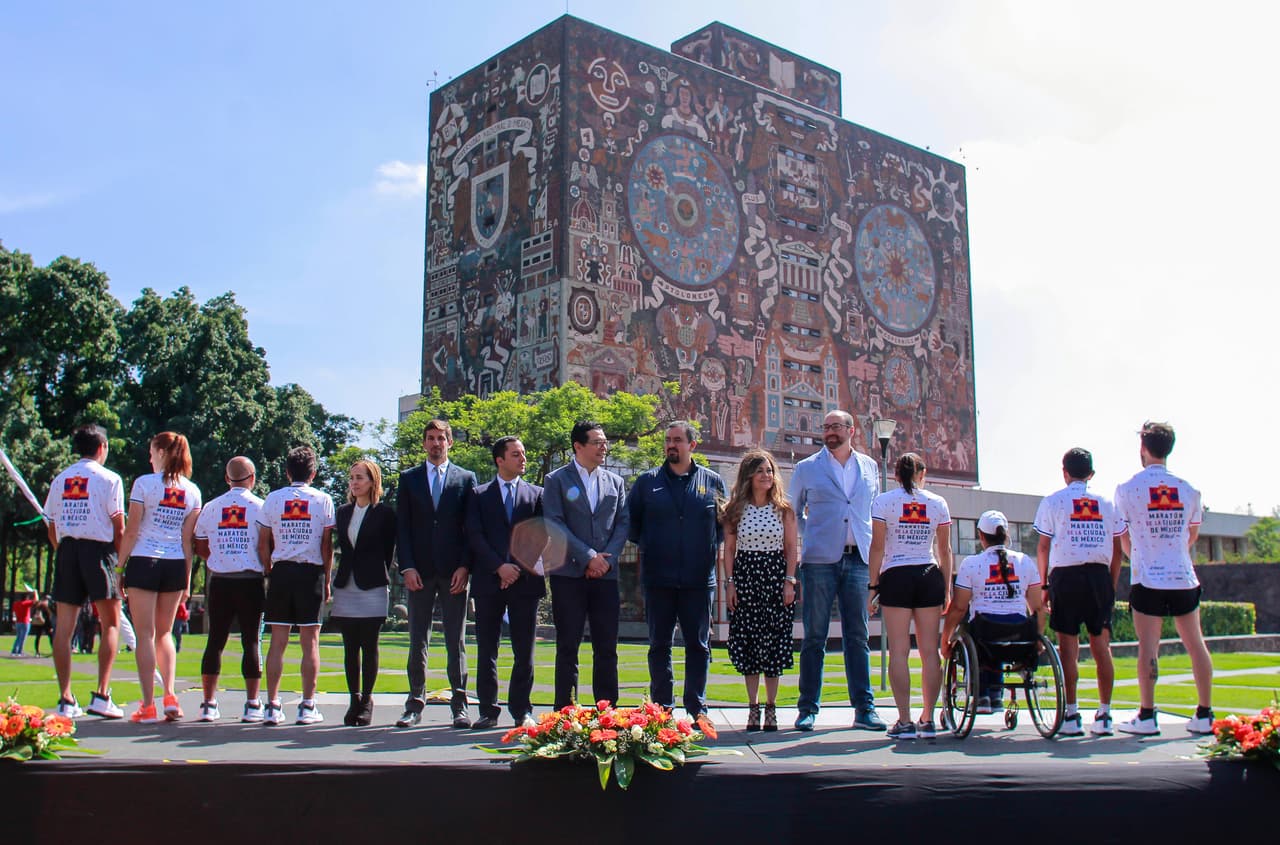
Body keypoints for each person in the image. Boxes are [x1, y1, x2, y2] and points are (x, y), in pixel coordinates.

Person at [1113, 422, 1214, 736]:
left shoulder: (1127, 489)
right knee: (1196, 644)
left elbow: (1122, 536)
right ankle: (1205, 713)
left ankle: (1146, 715)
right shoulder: (1189, 489)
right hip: (1183, 576)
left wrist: (1142, 555)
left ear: (1143, 447)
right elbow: (1192, 534)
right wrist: (1171, 551)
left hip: (1148, 579)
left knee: (1148, 647)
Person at [788, 410, 885, 732]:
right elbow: (793, 510)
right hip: (819, 561)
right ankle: (807, 709)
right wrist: (811, 534)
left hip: (860, 558)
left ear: (851, 430)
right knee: (814, 636)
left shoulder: (869, 466)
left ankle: (864, 708)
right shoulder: (806, 468)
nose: (829, 432)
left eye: (836, 427)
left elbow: (872, 511)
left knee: (857, 636)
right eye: (826, 427)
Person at [627, 422, 726, 726]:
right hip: (658, 580)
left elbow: (723, 529)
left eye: (678, 440)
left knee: (698, 646)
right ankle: (661, 709)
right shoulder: (646, 482)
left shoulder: (713, 482)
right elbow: (632, 526)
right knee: (659, 645)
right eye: (668, 440)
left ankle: (697, 708)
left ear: (692, 445)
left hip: (699, 581)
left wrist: (703, 551)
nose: (671, 445)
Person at [1033, 447, 1126, 737]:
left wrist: (1044, 585)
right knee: (1102, 648)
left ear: (1064, 472)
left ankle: (1072, 714)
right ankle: (1105, 713)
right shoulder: (1107, 503)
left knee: (1068, 650)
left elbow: (1043, 547)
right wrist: (1110, 584)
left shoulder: (1053, 501)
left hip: (1065, 577)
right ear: (1091, 474)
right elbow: (1117, 550)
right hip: (1098, 576)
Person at [542, 420, 629, 710]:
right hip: (568, 574)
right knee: (568, 646)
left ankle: (608, 713)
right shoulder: (556, 480)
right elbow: (554, 522)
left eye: (605, 442)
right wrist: (588, 555)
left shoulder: (615, 482)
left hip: (605, 575)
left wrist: (606, 559)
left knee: (607, 648)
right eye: (597, 442)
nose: (604, 447)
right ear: (578, 446)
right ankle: (565, 713)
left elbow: (622, 523)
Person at [395, 419, 476, 728]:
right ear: (424, 443)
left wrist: (465, 566)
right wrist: (407, 566)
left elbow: (472, 529)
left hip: (455, 571)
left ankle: (460, 705)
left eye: (440, 438)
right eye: (430, 438)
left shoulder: (466, 479)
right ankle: (415, 704)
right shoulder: (409, 479)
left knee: (456, 642)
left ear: (450, 442)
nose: (435, 443)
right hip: (420, 572)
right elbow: (402, 527)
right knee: (418, 640)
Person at [867, 453, 953, 740]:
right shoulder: (937, 503)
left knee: (899, 651)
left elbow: (877, 547)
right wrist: (947, 588)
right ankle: (928, 719)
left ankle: (904, 720)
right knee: (930, 651)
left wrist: (873, 586)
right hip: (929, 574)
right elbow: (945, 551)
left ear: (896, 474)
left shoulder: (883, 501)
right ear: (922, 472)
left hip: (896, 575)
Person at [118, 431, 203, 723]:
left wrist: (119, 567)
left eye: (152, 451)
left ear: (162, 452)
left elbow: (132, 530)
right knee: (165, 633)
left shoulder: (144, 484)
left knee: (145, 635)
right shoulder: (192, 490)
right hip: (175, 564)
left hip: (145, 560)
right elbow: (187, 540)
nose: (149, 457)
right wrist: (188, 578)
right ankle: (170, 696)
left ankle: (147, 703)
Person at [44, 424, 127, 718]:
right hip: (99, 551)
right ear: (102, 447)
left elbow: (52, 526)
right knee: (111, 623)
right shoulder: (109, 479)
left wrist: (63, 552)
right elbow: (119, 526)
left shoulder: (60, 479)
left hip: (67, 550)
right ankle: (102, 695)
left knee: (63, 629)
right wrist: (121, 564)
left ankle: (65, 698)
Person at [464, 436, 546, 729]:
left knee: (524, 650)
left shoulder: (537, 494)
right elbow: (474, 535)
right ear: (500, 460)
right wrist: (500, 567)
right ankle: (488, 710)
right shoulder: (478, 495)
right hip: (489, 582)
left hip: (525, 584)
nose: (523, 458)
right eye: (516, 454)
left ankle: (522, 710)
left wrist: (517, 569)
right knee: (487, 649)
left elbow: (540, 536)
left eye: (524, 453)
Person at [256, 446, 336, 726]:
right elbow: (327, 545)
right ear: (313, 473)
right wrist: (326, 579)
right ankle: (307, 705)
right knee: (309, 642)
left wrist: (269, 569)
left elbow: (263, 540)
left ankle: (272, 705)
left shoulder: (273, 499)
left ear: (288, 471)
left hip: (281, 571)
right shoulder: (323, 500)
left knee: (277, 642)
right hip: (310, 572)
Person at [722, 449, 798, 731]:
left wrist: (789, 581)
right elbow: (729, 549)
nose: (766, 476)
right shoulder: (735, 509)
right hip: (746, 577)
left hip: (775, 577)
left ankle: (771, 707)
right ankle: (752, 706)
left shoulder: (784, 509)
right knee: (750, 643)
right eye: (760, 471)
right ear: (749, 476)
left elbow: (791, 549)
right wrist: (730, 583)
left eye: (769, 471)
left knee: (774, 644)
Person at [941, 510, 1044, 711]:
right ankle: (996, 696)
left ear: (981, 536)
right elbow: (1038, 607)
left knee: (980, 632)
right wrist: (1038, 638)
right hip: (1019, 633)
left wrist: (945, 638)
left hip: (984, 632)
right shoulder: (1024, 562)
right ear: (1006, 535)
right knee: (998, 633)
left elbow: (959, 607)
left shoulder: (971, 564)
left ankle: (982, 696)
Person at [193, 456, 267, 723]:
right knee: (251, 641)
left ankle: (208, 703)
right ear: (253, 478)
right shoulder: (261, 507)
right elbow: (266, 545)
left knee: (215, 640)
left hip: (221, 579)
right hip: (250, 580)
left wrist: (222, 555)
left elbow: (200, 546)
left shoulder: (212, 507)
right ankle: (252, 703)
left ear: (227, 478)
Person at [331, 459, 397, 727]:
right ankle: (354, 699)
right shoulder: (343, 512)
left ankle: (367, 700)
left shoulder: (385, 514)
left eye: (360, 477)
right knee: (350, 648)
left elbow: (388, 551)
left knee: (369, 646)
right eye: (352, 478)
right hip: (346, 585)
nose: (354, 482)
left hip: (373, 586)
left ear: (372, 482)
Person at [10, 590, 36, 656]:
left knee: (18, 637)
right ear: (26, 598)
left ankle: (14, 651)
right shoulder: (26, 603)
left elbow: (14, 612)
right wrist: (35, 592)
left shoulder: (16, 603)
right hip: (25, 622)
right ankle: (19, 651)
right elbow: (36, 600)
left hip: (18, 622)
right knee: (23, 637)